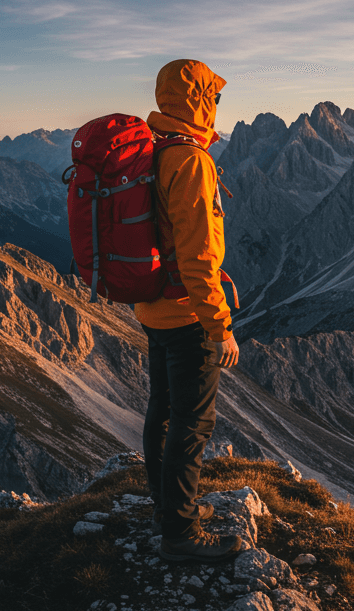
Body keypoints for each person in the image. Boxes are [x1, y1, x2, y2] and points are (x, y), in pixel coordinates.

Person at [136, 58, 244, 562]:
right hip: (186, 315)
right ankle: (180, 534)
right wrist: (219, 326)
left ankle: (165, 510)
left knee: (162, 411)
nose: (218, 104)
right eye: (213, 96)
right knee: (193, 423)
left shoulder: (153, 149)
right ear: (197, 100)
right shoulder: (191, 161)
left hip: (151, 307)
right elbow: (200, 257)